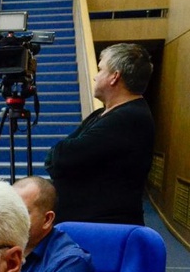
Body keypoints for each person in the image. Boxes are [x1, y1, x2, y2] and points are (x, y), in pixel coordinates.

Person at [45, 43, 154, 225]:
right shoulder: (102, 114)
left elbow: (61, 159)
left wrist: (59, 157)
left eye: (100, 69)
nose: (95, 76)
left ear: (114, 77)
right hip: (88, 223)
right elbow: (56, 158)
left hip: (104, 228)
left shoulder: (128, 118)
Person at [13, 177, 98, 272]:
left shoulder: (71, 262)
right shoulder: (1, 249)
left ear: (47, 219)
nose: (11, 219)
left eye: (22, 213)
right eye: (9, 211)